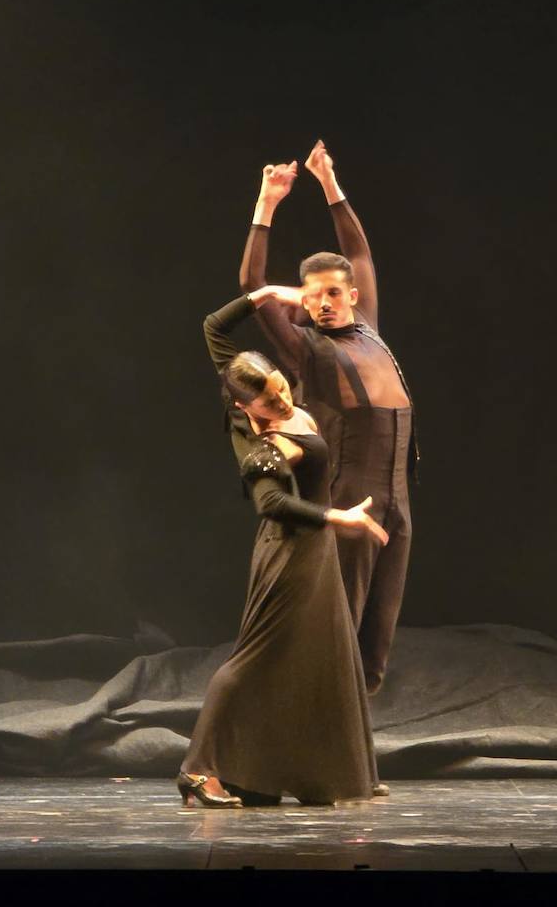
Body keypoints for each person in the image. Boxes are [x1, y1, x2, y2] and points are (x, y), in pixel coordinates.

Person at [178, 288, 387, 808]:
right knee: (253, 661)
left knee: (324, 655)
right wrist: (337, 515)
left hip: (315, 554)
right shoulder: (264, 443)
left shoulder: (243, 376)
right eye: (270, 401)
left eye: (280, 387)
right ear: (246, 409)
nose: (283, 401)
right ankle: (197, 769)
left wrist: (265, 294)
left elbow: (212, 328)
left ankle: (331, 772)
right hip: (289, 554)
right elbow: (271, 502)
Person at [239, 142, 415, 694]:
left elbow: (358, 250)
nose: (324, 304)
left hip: (397, 498)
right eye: (312, 297)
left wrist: (329, 182)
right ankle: (321, 758)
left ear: (353, 296)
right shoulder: (306, 351)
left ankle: (358, 758)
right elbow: (252, 285)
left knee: (375, 642)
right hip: (349, 497)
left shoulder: (369, 328)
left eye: (334, 294)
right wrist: (265, 206)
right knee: (336, 633)